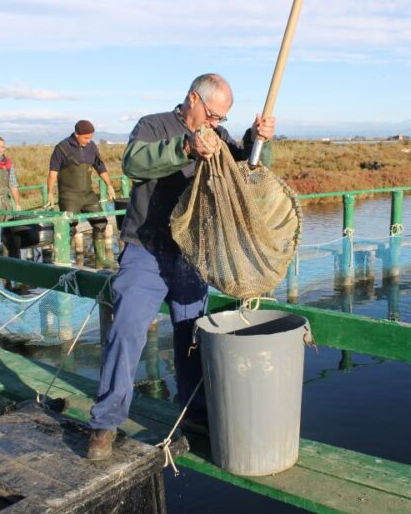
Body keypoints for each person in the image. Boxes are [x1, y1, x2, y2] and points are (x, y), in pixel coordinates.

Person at [86, 73, 276, 460]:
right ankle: (105, 424)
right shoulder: (153, 126)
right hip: (146, 250)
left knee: (193, 339)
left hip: (192, 256)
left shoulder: (219, 138)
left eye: (221, 119)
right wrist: (186, 147)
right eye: (212, 115)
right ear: (193, 98)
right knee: (126, 331)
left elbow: (248, 171)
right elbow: (133, 164)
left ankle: (195, 414)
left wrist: (258, 141)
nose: (215, 124)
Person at [47, 120, 117, 268]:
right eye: (86, 138)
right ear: (76, 134)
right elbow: (53, 172)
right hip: (69, 196)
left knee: (100, 222)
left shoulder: (92, 147)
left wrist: (109, 185)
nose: (88, 141)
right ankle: (62, 259)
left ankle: (101, 258)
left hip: (88, 195)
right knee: (69, 227)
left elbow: (100, 166)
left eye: (91, 137)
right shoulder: (62, 148)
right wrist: (50, 193)